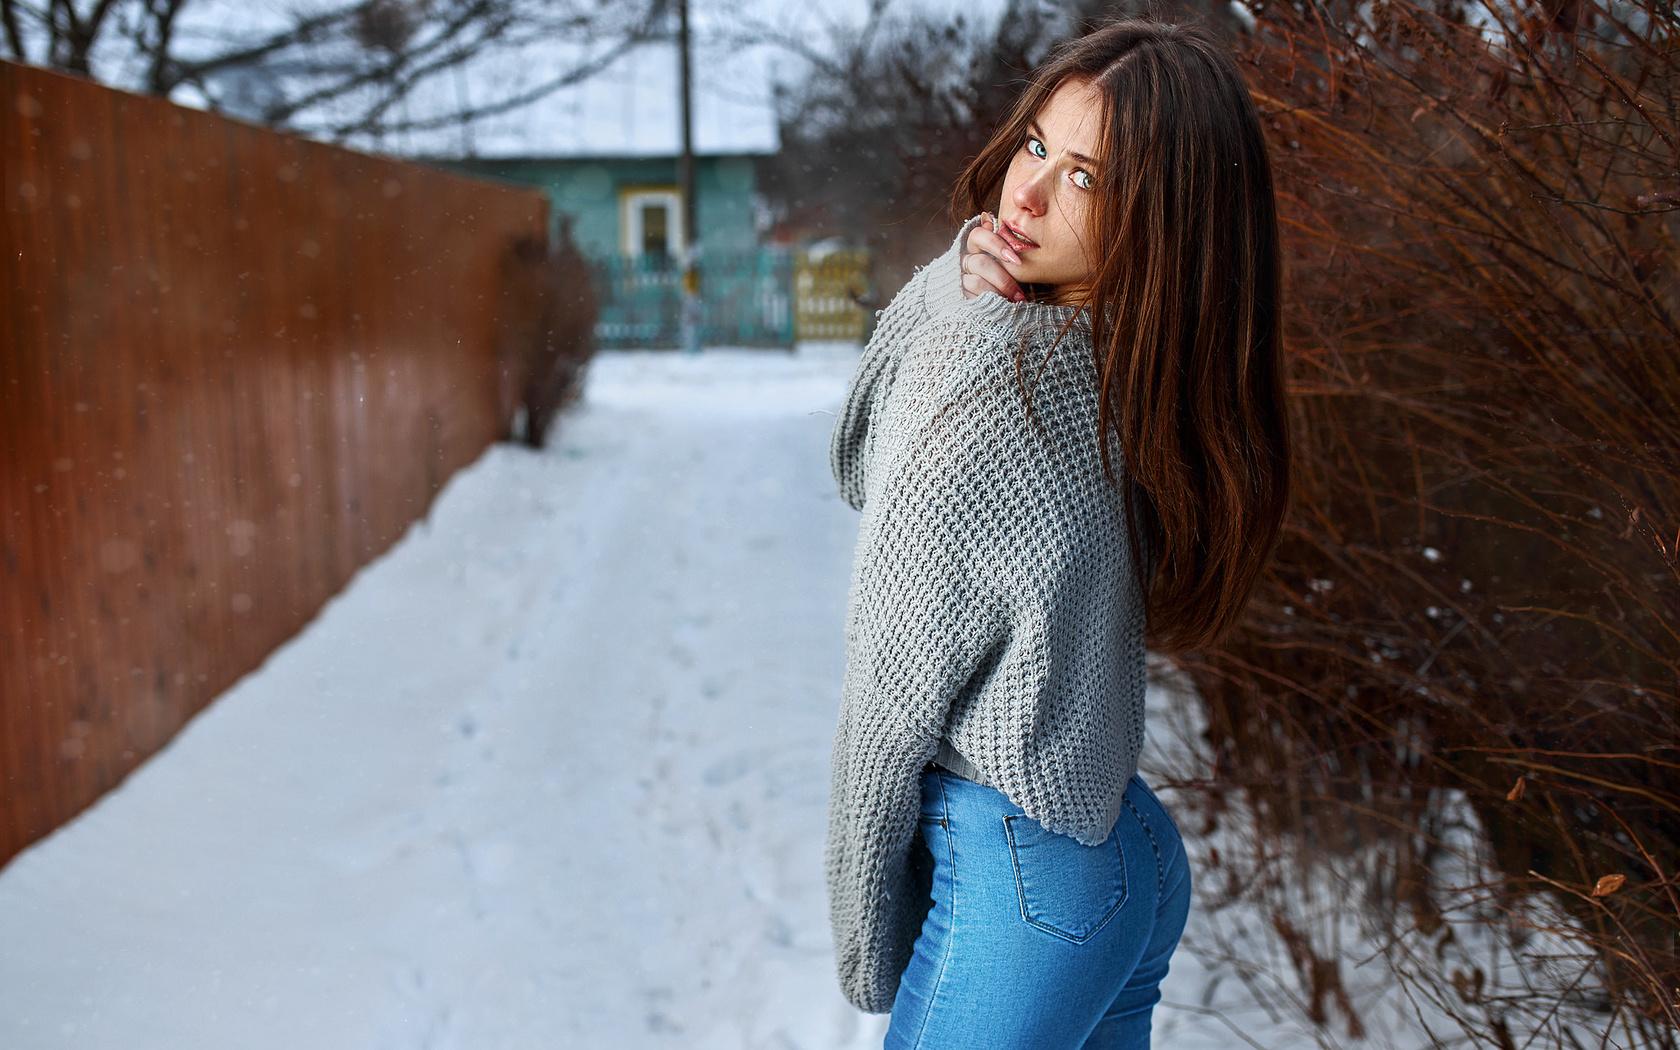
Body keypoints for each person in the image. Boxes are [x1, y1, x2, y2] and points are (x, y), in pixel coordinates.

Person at [824, 17, 1290, 1050]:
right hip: (1118, 852)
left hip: (1018, 880)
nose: (1024, 195)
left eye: (1087, 177)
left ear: (1165, 217)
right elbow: (875, 461)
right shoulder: (1142, 364)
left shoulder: (984, 378)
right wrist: (971, 291)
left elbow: (888, 673)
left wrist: (863, 933)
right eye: (1035, 146)